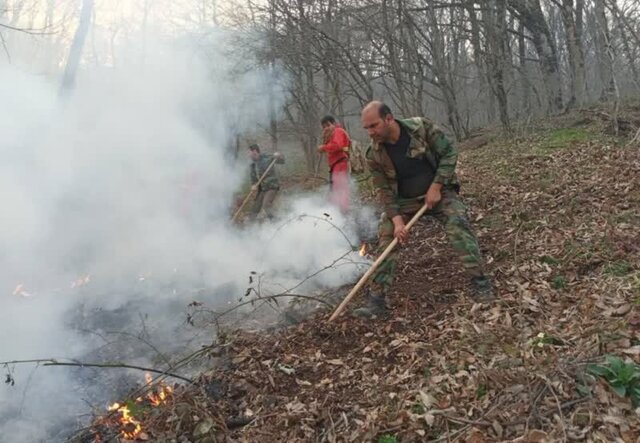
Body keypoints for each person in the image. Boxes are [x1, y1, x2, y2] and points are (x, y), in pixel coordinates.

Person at [354, 101, 493, 318]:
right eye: (367, 128)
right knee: (387, 239)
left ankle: (481, 282)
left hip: (438, 192)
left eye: (374, 126)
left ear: (389, 118)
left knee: (458, 224)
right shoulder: (374, 154)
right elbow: (384, 192)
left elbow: (449, 154)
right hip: (404, 203)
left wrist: (436, 186)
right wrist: (398, 222)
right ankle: (376, 301)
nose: (371, 133)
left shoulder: (421, 129)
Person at [318, 115, 351, 213]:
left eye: (328, 125)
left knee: (340, 187)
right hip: (335, 164)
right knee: (335, 187)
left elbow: (337, 145)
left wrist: (323, 147)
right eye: (324, 127)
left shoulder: (338, 131)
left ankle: (343, 211)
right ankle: (336, 209)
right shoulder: (332, 134)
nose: (326, 128)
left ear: (333, 123)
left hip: (340, 163)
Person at [248, 144, 284, 221]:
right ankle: (250, 227)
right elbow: (253, 180)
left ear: (254, 151)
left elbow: (282, 161)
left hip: (272, 186)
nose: (249, 155)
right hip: (262, 188)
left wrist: (279, 156)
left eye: (249, 152)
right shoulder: (253, 165)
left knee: (266, 205)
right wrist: (253, 186)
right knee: (255, 207)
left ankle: (276, 222)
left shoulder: (267, 157)